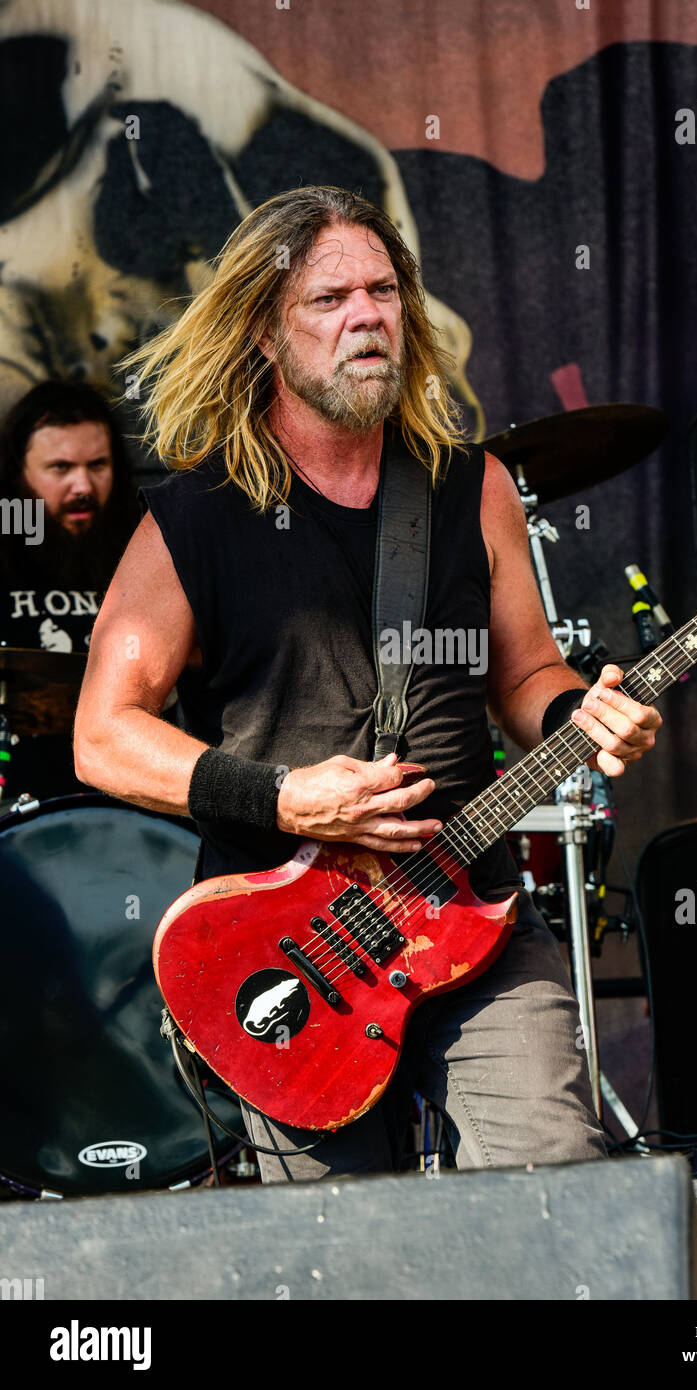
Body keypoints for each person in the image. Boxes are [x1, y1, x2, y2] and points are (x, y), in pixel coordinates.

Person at [73, 186, 662, 1181]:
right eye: (329, 298)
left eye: (384, 291)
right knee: (338, 1252)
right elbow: (102, 733)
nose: (367, 316)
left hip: (467, 905)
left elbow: (523, 671)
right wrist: (286, 795)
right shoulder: (198, 519)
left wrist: (578, 713)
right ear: (265, 331)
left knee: (557, 1182)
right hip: (289, 943)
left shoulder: (469, 487)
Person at [0, 380, 138, 799]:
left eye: (97, 465)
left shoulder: (145, 550)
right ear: (19, 473)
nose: (82, 487)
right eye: (60, 468)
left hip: (130, 804)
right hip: (17, 799)